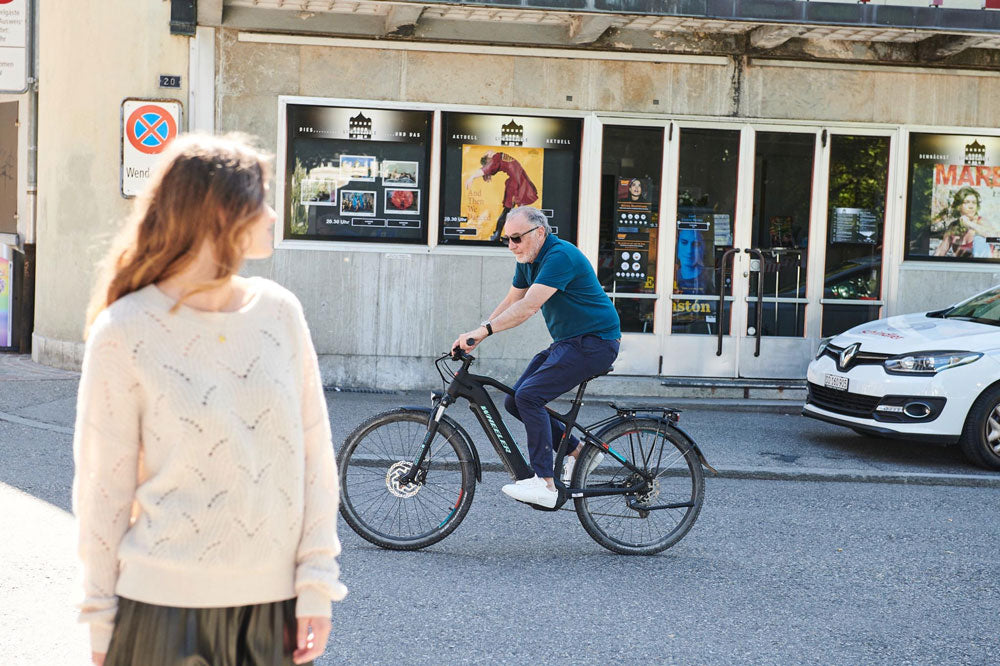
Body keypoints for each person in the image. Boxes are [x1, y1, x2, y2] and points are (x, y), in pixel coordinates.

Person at [73, 133, 347, 666]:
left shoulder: (280, 313)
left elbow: (316, 458)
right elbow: (101, 492)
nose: (272, 214)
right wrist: (99, 622)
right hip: (157, 608)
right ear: (218, 213)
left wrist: (317, 584)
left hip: (270, 608)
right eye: (260, 200)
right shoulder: (125, 330)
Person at [452, 206, 621, 508]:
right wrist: (476, 334)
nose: (511, 246)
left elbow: (529, 307)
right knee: (514, 400)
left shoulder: (559, 257)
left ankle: (545, 483)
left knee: (529, 397)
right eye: (507, 239)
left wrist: (484, 332)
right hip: (570, 342)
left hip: (596, 342)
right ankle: (577, 451)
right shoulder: (528, 259)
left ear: (539, 233)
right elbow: (511, 300)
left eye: (516, 238)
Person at [464, 150, 539, 242]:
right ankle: (502, 235)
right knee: (513, 212)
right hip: (518, 184)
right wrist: (473, 176)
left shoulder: (498, 157)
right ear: (489, 157)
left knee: (513, 213)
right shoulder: (497, 157)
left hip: (518, 184)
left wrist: (474, 176)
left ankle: (503, 235)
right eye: (487, 154)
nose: (488, 152)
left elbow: (489, 168)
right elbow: (489, 167)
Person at [674, 227, 713, 294]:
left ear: (703, 248)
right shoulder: (670, 276)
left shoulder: (708, 280)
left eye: (696, 244)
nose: (689, 250)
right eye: (684, 243)